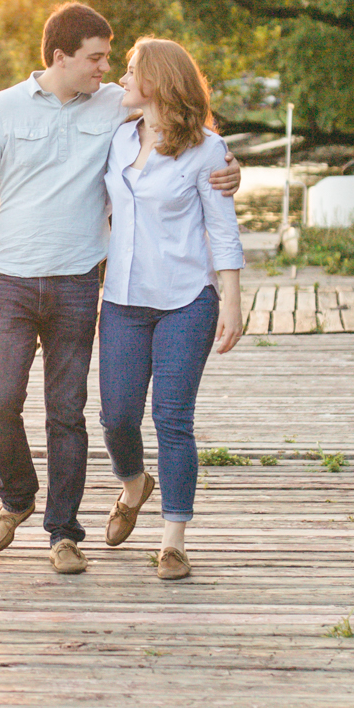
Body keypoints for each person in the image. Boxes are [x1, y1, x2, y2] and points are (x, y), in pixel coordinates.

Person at [0, 3, 239, 575]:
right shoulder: (17, 111)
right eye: (97, 58)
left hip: (99, 285)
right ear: (62, 57)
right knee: (10, 402)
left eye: (115, 61)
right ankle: (28, 497)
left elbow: (193, 138)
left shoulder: (120, 108)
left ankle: (82, 534)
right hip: (41, 284)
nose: (108, 70)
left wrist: (233, 170)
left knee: (85, 411)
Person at [98, 37, 244, 581]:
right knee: (116, 418)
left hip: (186, 301)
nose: (122, 77)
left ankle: (173, 541)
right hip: (122, 302)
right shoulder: (114, 139)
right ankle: (134, 486)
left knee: (172, 420)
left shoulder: (208, 150)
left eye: (132, 69)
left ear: (157, 80)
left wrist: (231, 299)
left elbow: (222, 231)